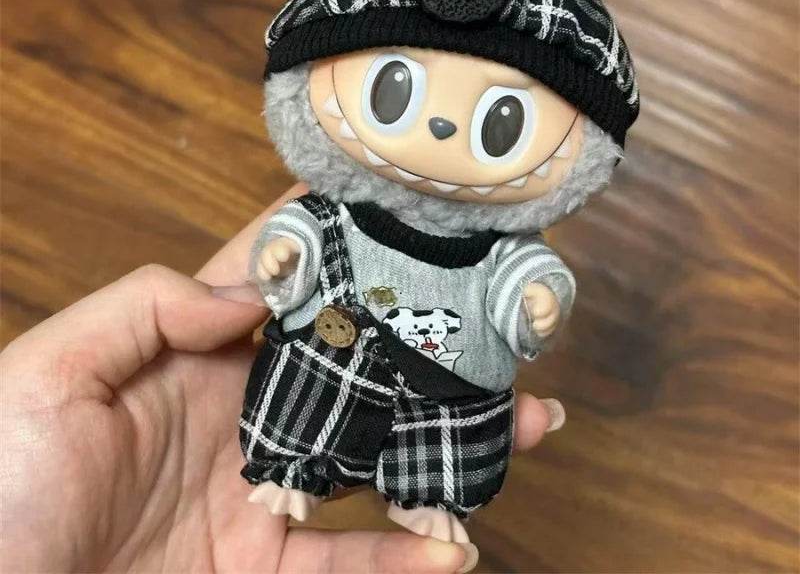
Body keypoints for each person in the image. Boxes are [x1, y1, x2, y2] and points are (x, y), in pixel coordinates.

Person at [0, 186, 564, 573]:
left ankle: (433, 496)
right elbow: (300, 226)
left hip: (454, 381)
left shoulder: (507, 241)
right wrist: (284, 253)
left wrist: (535, 299)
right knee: (303, 404)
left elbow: (530, 268)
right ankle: (290, 471)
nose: (443, 128)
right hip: (334, 354)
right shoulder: (340, 202)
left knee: (455, 442)